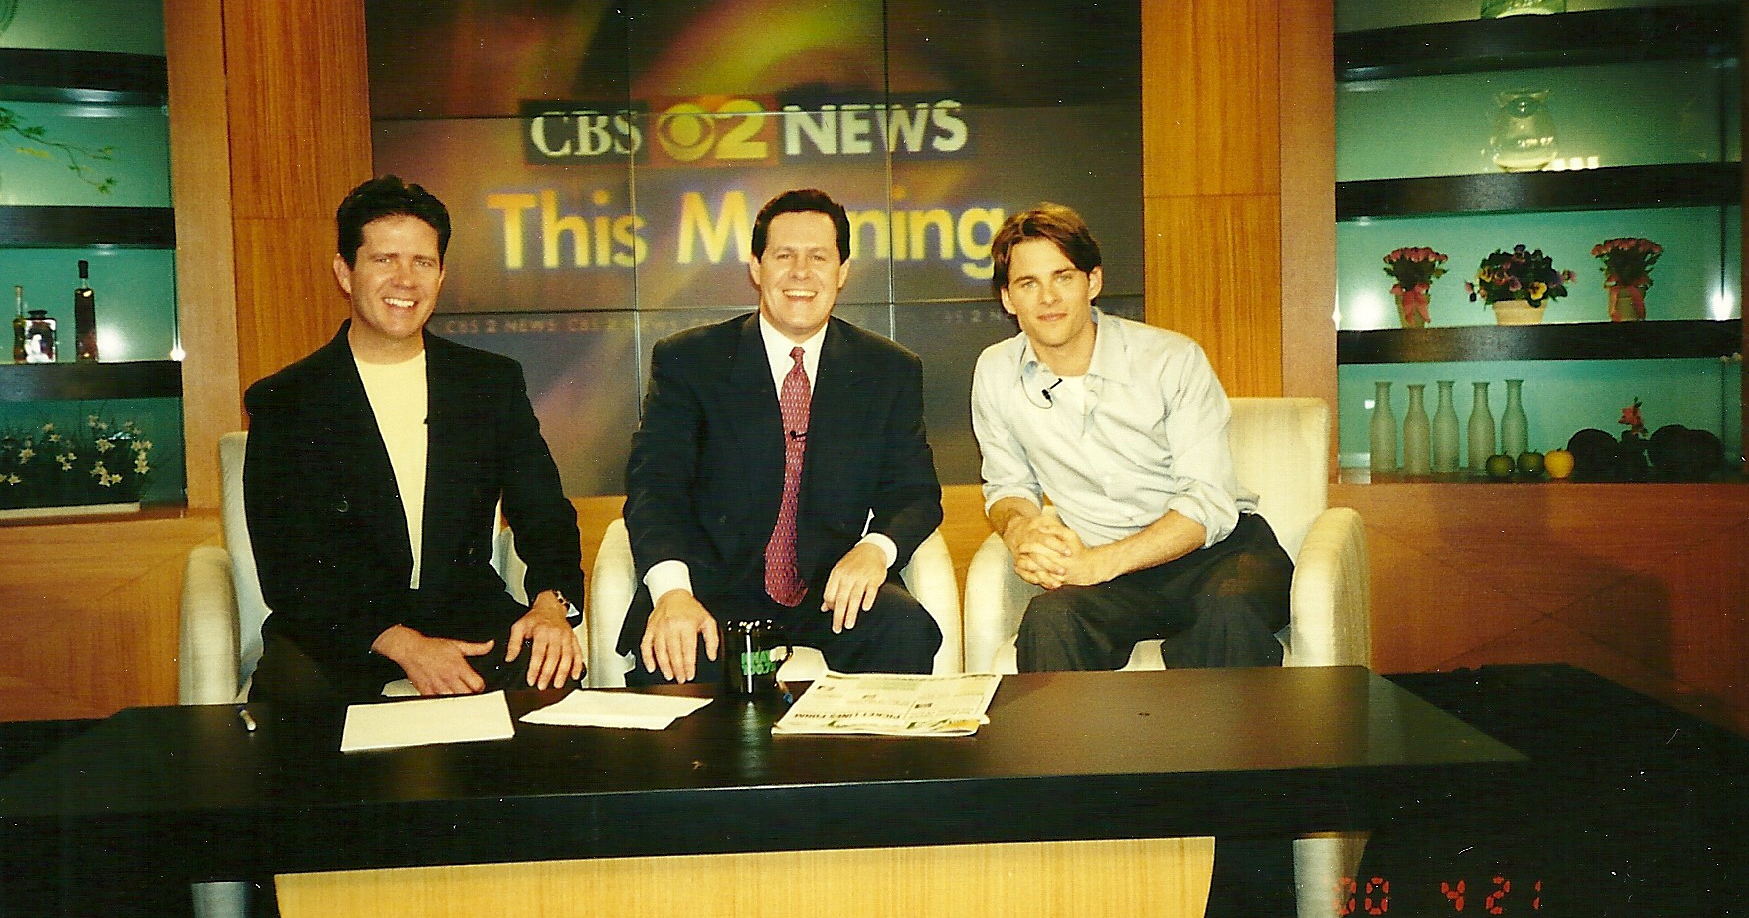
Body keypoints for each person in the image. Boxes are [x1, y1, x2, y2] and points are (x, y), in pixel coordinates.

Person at [244, 175, 585, 705]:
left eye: (422, 262)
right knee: (297, 717)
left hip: (465, 616)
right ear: (345, 272)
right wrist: (403, 645)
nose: (405, 279)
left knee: (554, 684)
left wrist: (549, 603)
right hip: (339, 632)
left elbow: (544, 512)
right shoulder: (286, 401)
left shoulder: (489, 384)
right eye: (385, 260)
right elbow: (288, 566)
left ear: (441, 274)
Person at [622, 187, 943, 684]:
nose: (801, 272)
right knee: (676, 664)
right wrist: (672, 593)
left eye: (819, 257)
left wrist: (874, 550)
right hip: (711, 590)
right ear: (756, 267)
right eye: (784, 256)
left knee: (904, 629)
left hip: (830, 588)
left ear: (842, 271)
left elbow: (916, 494)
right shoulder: (690, 361)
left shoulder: (888, 370)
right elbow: (654, 489)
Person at [971, 202, 1293, 673]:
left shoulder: (1171, 360)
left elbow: (1208, 501)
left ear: (1093, 282)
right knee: (1050, 619)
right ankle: (1066, 752)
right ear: (1007, 298)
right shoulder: (995, 372)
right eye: (1028, 283)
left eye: (1063, 277)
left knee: (1227, 614)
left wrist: (1100, 564)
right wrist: (1021, 530)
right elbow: (1008, 486)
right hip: (1110, 578)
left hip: (1217, 557)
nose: (1047, 298)